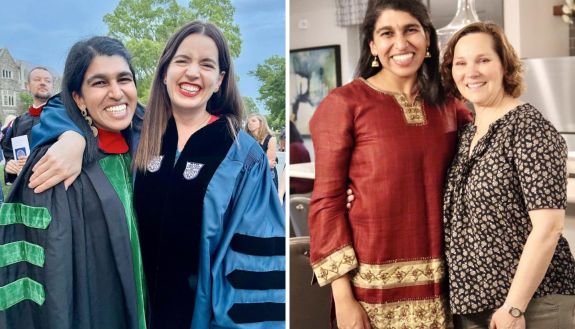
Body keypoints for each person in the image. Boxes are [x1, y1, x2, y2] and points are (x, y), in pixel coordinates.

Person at [27, 21, 285, 329]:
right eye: (182, 61)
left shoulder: (242, 157)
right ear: (164, 72)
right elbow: (64, 103)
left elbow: (257, 269)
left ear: (220, 80)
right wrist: (72, 136)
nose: (193, 72)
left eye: (207, 64)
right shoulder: (139, 132)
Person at [308, 0, 472, 328]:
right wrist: (344, 299)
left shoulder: (450, 106)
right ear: (373, 46)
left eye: (411, 30)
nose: (400, 43)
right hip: (370, 292)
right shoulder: (344, 104)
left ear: (427, 39)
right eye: (387, 33)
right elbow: (326, 203)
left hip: (446, 290)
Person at [0, 36, 146, 329]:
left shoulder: (145, 140)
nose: (117, 93)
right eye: (100, 83)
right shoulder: (55, 164)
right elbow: (49, 280)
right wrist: (70, 135)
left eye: (124, 79)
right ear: (78, 97)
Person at [440, 22, 575, 329]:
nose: (470, 72)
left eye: (483, 60)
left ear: (505, 66)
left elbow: (549, 228)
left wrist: (514, 307)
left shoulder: (529, 129)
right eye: (461, 63)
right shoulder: (466, 135)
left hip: (532, 305)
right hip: (476, 306)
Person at [1, 67, 54, 184]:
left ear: (52, 87)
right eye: (37, 79)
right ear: (27, 86)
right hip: (24, 187)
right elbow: (10, 152)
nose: (43, 83)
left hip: (53, 187)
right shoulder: (18, 122)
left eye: (47, 81)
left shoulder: (63, 118)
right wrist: (10, 165)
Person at [245, 113, 279, 189]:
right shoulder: (246, 139)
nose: (249, 123)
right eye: (248, 121)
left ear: (261, 123)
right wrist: (264, 163)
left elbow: (270, 163)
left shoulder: (271, 139)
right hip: (250, 176)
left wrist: (259, 164)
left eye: (253, 121)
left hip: (267, 176)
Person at [288, 121, 313, 195]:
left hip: (299, 185)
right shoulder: (299, 145)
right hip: (305, 183)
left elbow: (292, 172)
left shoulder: (293, 147)